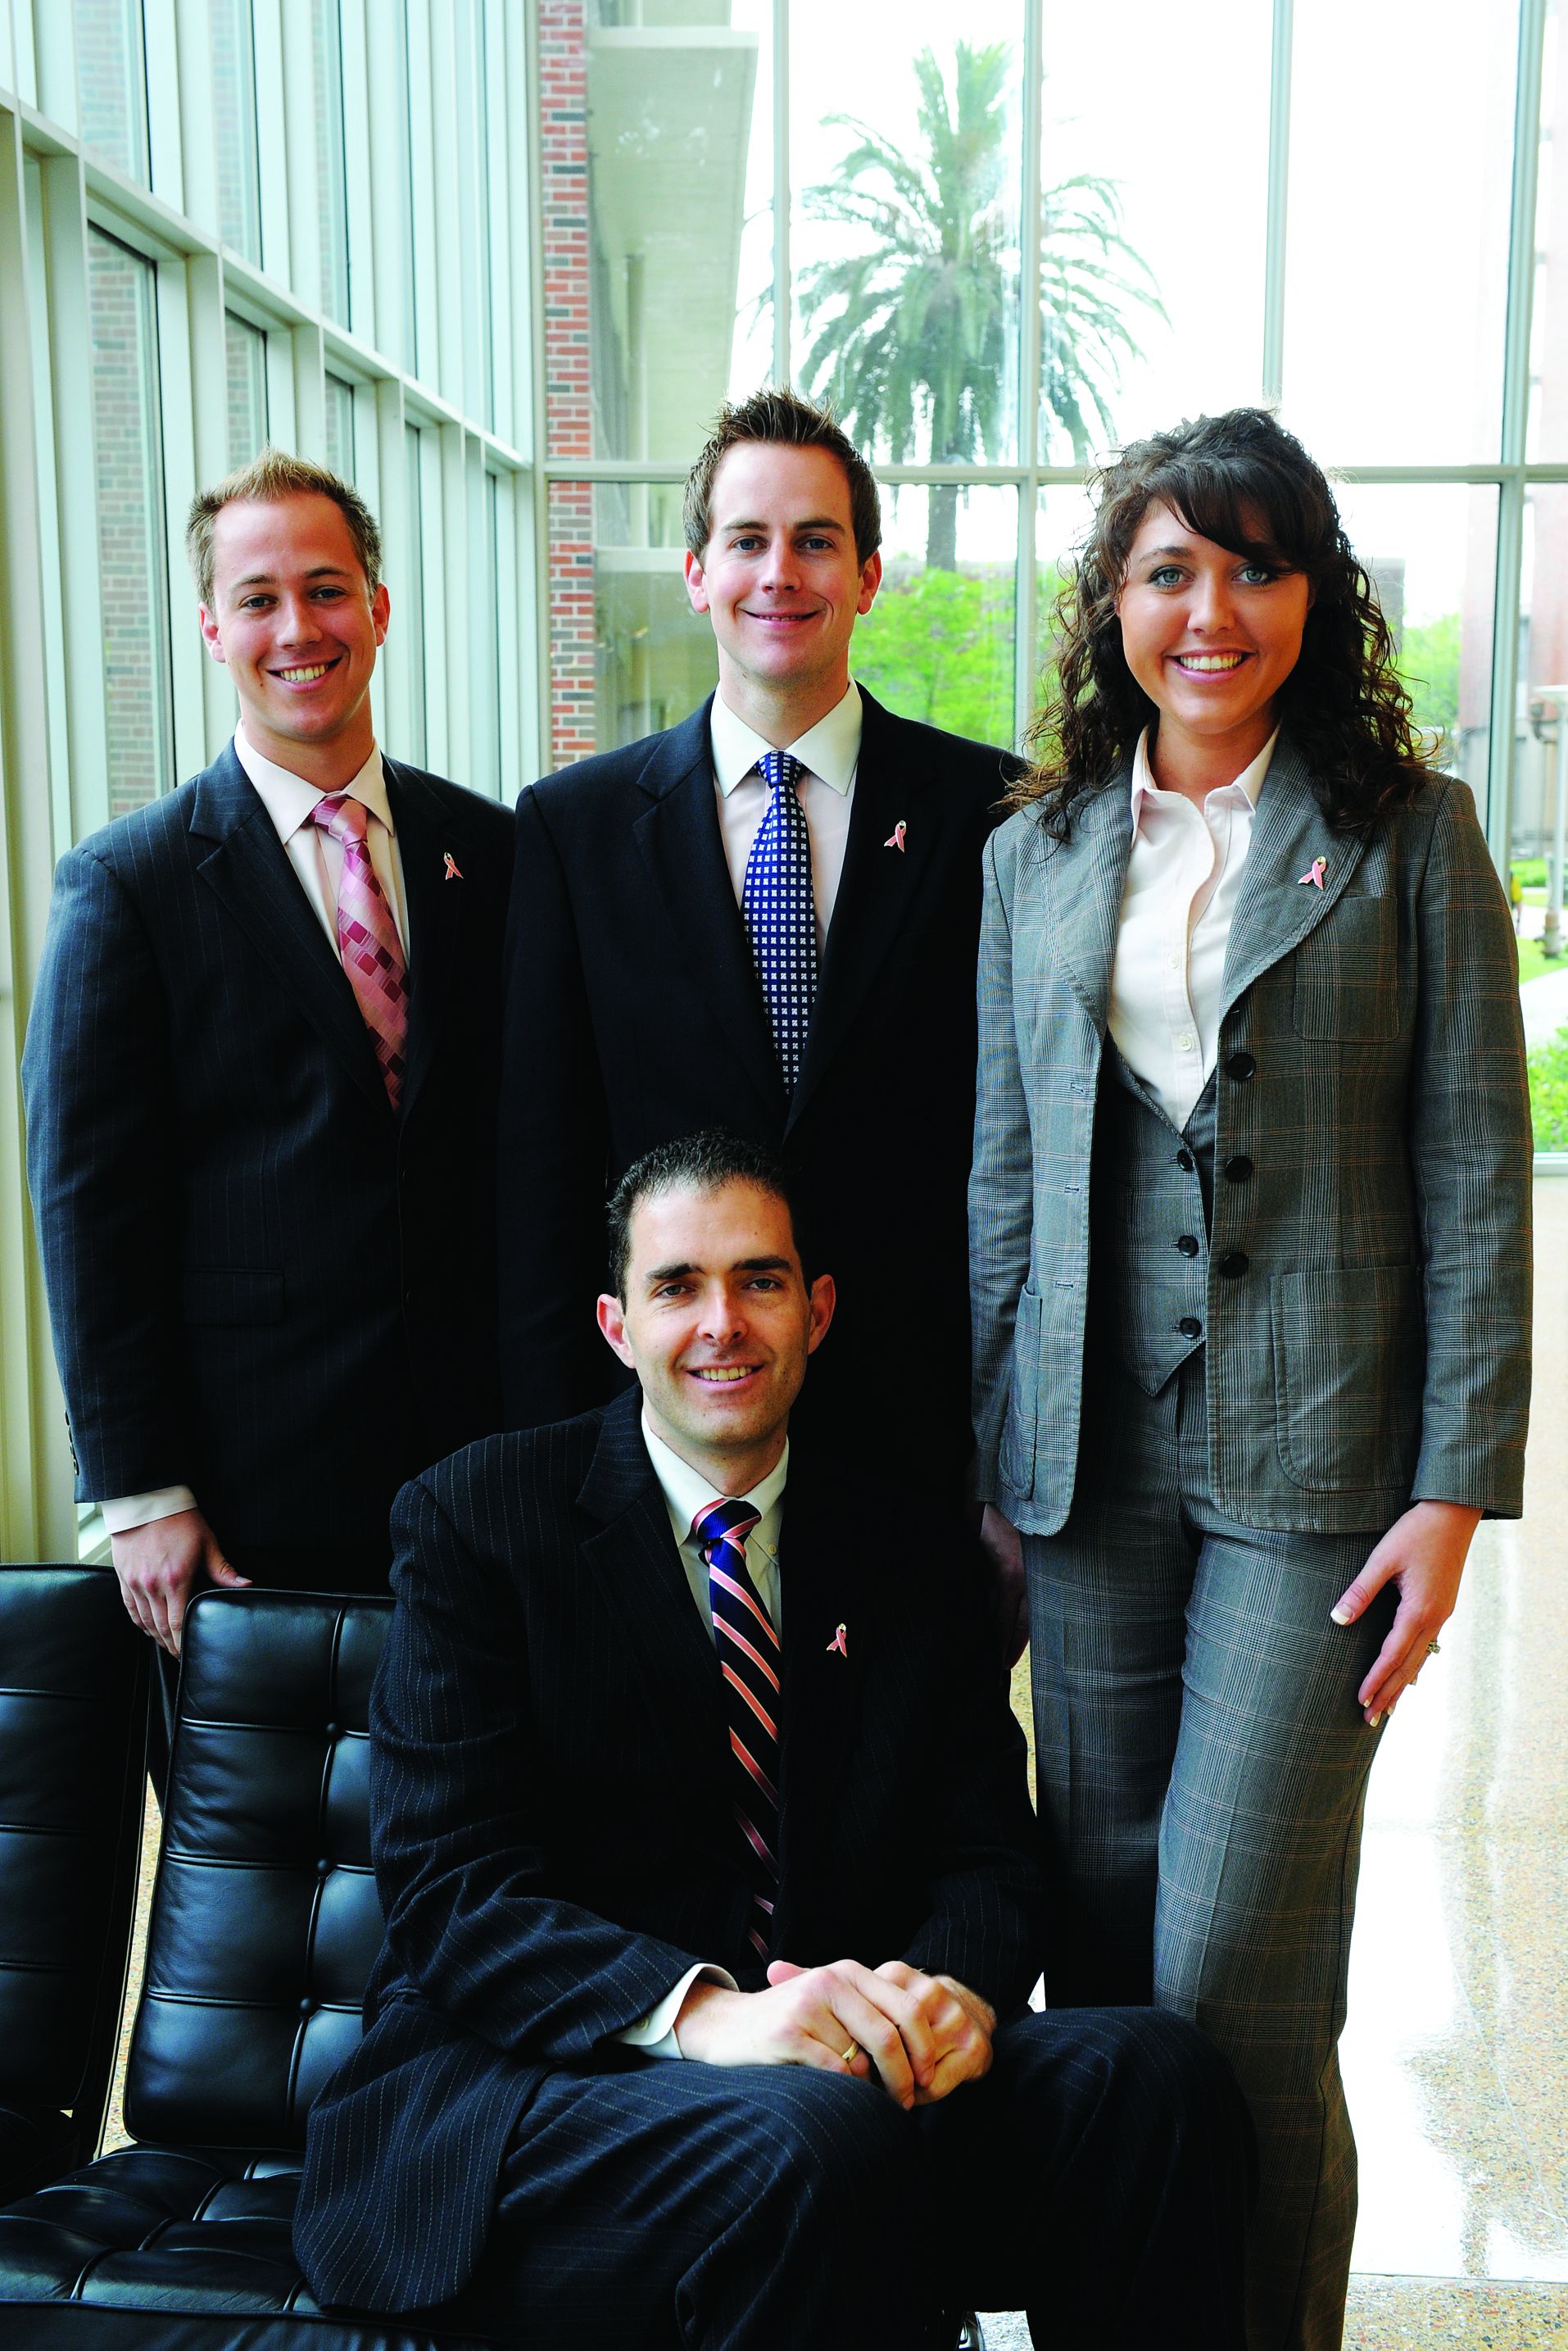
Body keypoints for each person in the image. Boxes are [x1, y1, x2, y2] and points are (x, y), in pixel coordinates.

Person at [294, 1132, 1251, 2348]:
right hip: (538, 2095)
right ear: (614, 1324)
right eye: (676, 1286)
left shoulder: (908, 1553)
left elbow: (987, 1862)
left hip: (839, 2083)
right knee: (816, 2137)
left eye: (759, 1281)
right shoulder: (476, 1523)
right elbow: (454, 1895)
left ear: (817, 1311)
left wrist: (938, 1998)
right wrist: (705, 2016)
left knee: (1156, 2082)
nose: (721, 1324)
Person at [968, 407, 1533, 2350]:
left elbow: (1476, 1173)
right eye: (1169, 571)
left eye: (1256, 566)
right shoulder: (1033, 851)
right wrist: (997, 1460)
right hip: (1092, 1463)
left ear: (1317, 591)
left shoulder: (1406, 832)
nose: (1212, 611)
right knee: (1112, 1972)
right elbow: (1008, 1175)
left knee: (1242, 1976)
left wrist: (1453, 1491)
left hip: (1320, 1468)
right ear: (1114, 600)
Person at [21, 448, 514, 1739]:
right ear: (210, 629)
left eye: (327, 588)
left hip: (484, 1456)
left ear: (379, 606)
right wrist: (138, 1491)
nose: (298, 628)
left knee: (490, 1844)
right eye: (257, 599)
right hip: (254, 1487)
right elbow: (87, 1206)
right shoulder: (128, 886)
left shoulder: (493, 853)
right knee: (262, 1878)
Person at [498, 386, 1016, 1547]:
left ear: (867, 575)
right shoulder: (572, 830)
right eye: (747, 541)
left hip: (917, 1427)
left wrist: (1007, 1460)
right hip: (664, 1427)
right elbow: (540, 1165)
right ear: (697, 573)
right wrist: (552, 1454)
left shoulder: (988, 815)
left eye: (815, 541)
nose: (779, 572)